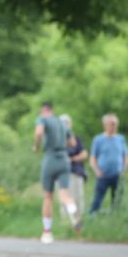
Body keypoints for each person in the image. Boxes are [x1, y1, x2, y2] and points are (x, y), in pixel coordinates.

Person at [33, 102, 82, 243]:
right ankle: (73, 211)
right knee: (65, 195)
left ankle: (47, 233)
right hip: (65, 160)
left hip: (50, 158)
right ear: (52, 110)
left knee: (48, 197)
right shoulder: (62, 122)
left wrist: (36, 146)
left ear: (43, 110)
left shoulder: (42, 119)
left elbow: (39, 132)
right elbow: (72, 143)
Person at [89, 113, 128, 215]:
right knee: (98, 198)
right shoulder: (98, 139)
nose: (114, 125)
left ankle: (115, 217)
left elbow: (126, 156)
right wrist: (97, 171)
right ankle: (92, 217)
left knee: (117, 199)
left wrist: (124, 170)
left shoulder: (121, 139)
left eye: (116, 123)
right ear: (105, 124)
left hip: (118, 174)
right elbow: (93, 158)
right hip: (103, 174)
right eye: (112, 123)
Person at [60, 114, 88, 217]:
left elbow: (84, 154)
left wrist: (71, 159)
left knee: (77, 196)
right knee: (65, 197)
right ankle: (66, 219)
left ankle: (78, 218)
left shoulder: (76, 138)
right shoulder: (57, 140)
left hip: (76, 171)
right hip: (62, 173)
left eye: (67, 123)